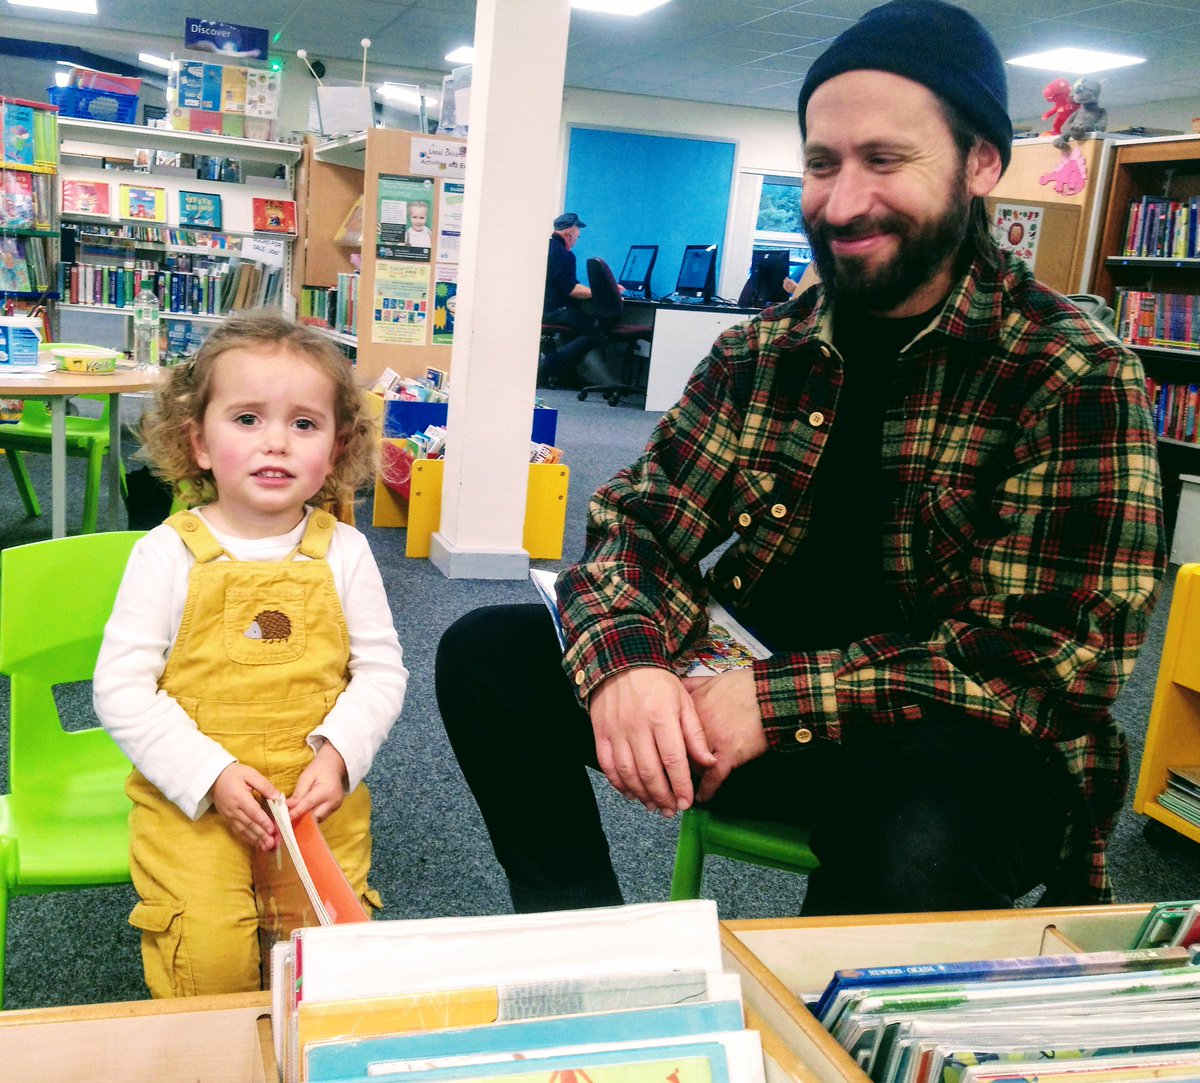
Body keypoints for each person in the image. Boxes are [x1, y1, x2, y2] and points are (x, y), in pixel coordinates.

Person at [436, 0, 1166, 916]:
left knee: (919, 828)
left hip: (957, 752)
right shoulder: (761, 352)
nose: (843, 199)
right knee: (486, 656)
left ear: (982, 162)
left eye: (886, 160)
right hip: (744, 709)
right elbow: (637, 526)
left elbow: (1050, 658)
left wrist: (775, 700)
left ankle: (824, 1042)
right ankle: (589, 950)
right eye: (823, 163)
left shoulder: (1071, 370)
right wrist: (626, 665)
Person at [94, 311, 408, 997]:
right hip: (196, 807)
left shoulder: (345, 552)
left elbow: (381, 673)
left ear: (337, 446)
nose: (276, 442)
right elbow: (121, 688)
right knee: (206, 958)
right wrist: (210, 775)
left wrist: (340, 755)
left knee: (326, 969)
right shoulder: (167, 552)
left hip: (314, 805)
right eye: (246, 419)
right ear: (197, 441)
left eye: (303, 423)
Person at [538, 211, 607, 388]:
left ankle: (566, 374)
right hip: (555, 311)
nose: (577, 238)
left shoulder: (546, 247)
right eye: (577, 235)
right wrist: (605, 291)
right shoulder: (563, 254)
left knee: (577, 326)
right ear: (569, 233)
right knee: (596, 330)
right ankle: (549, 366)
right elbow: (573, 290)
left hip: (542, 309)